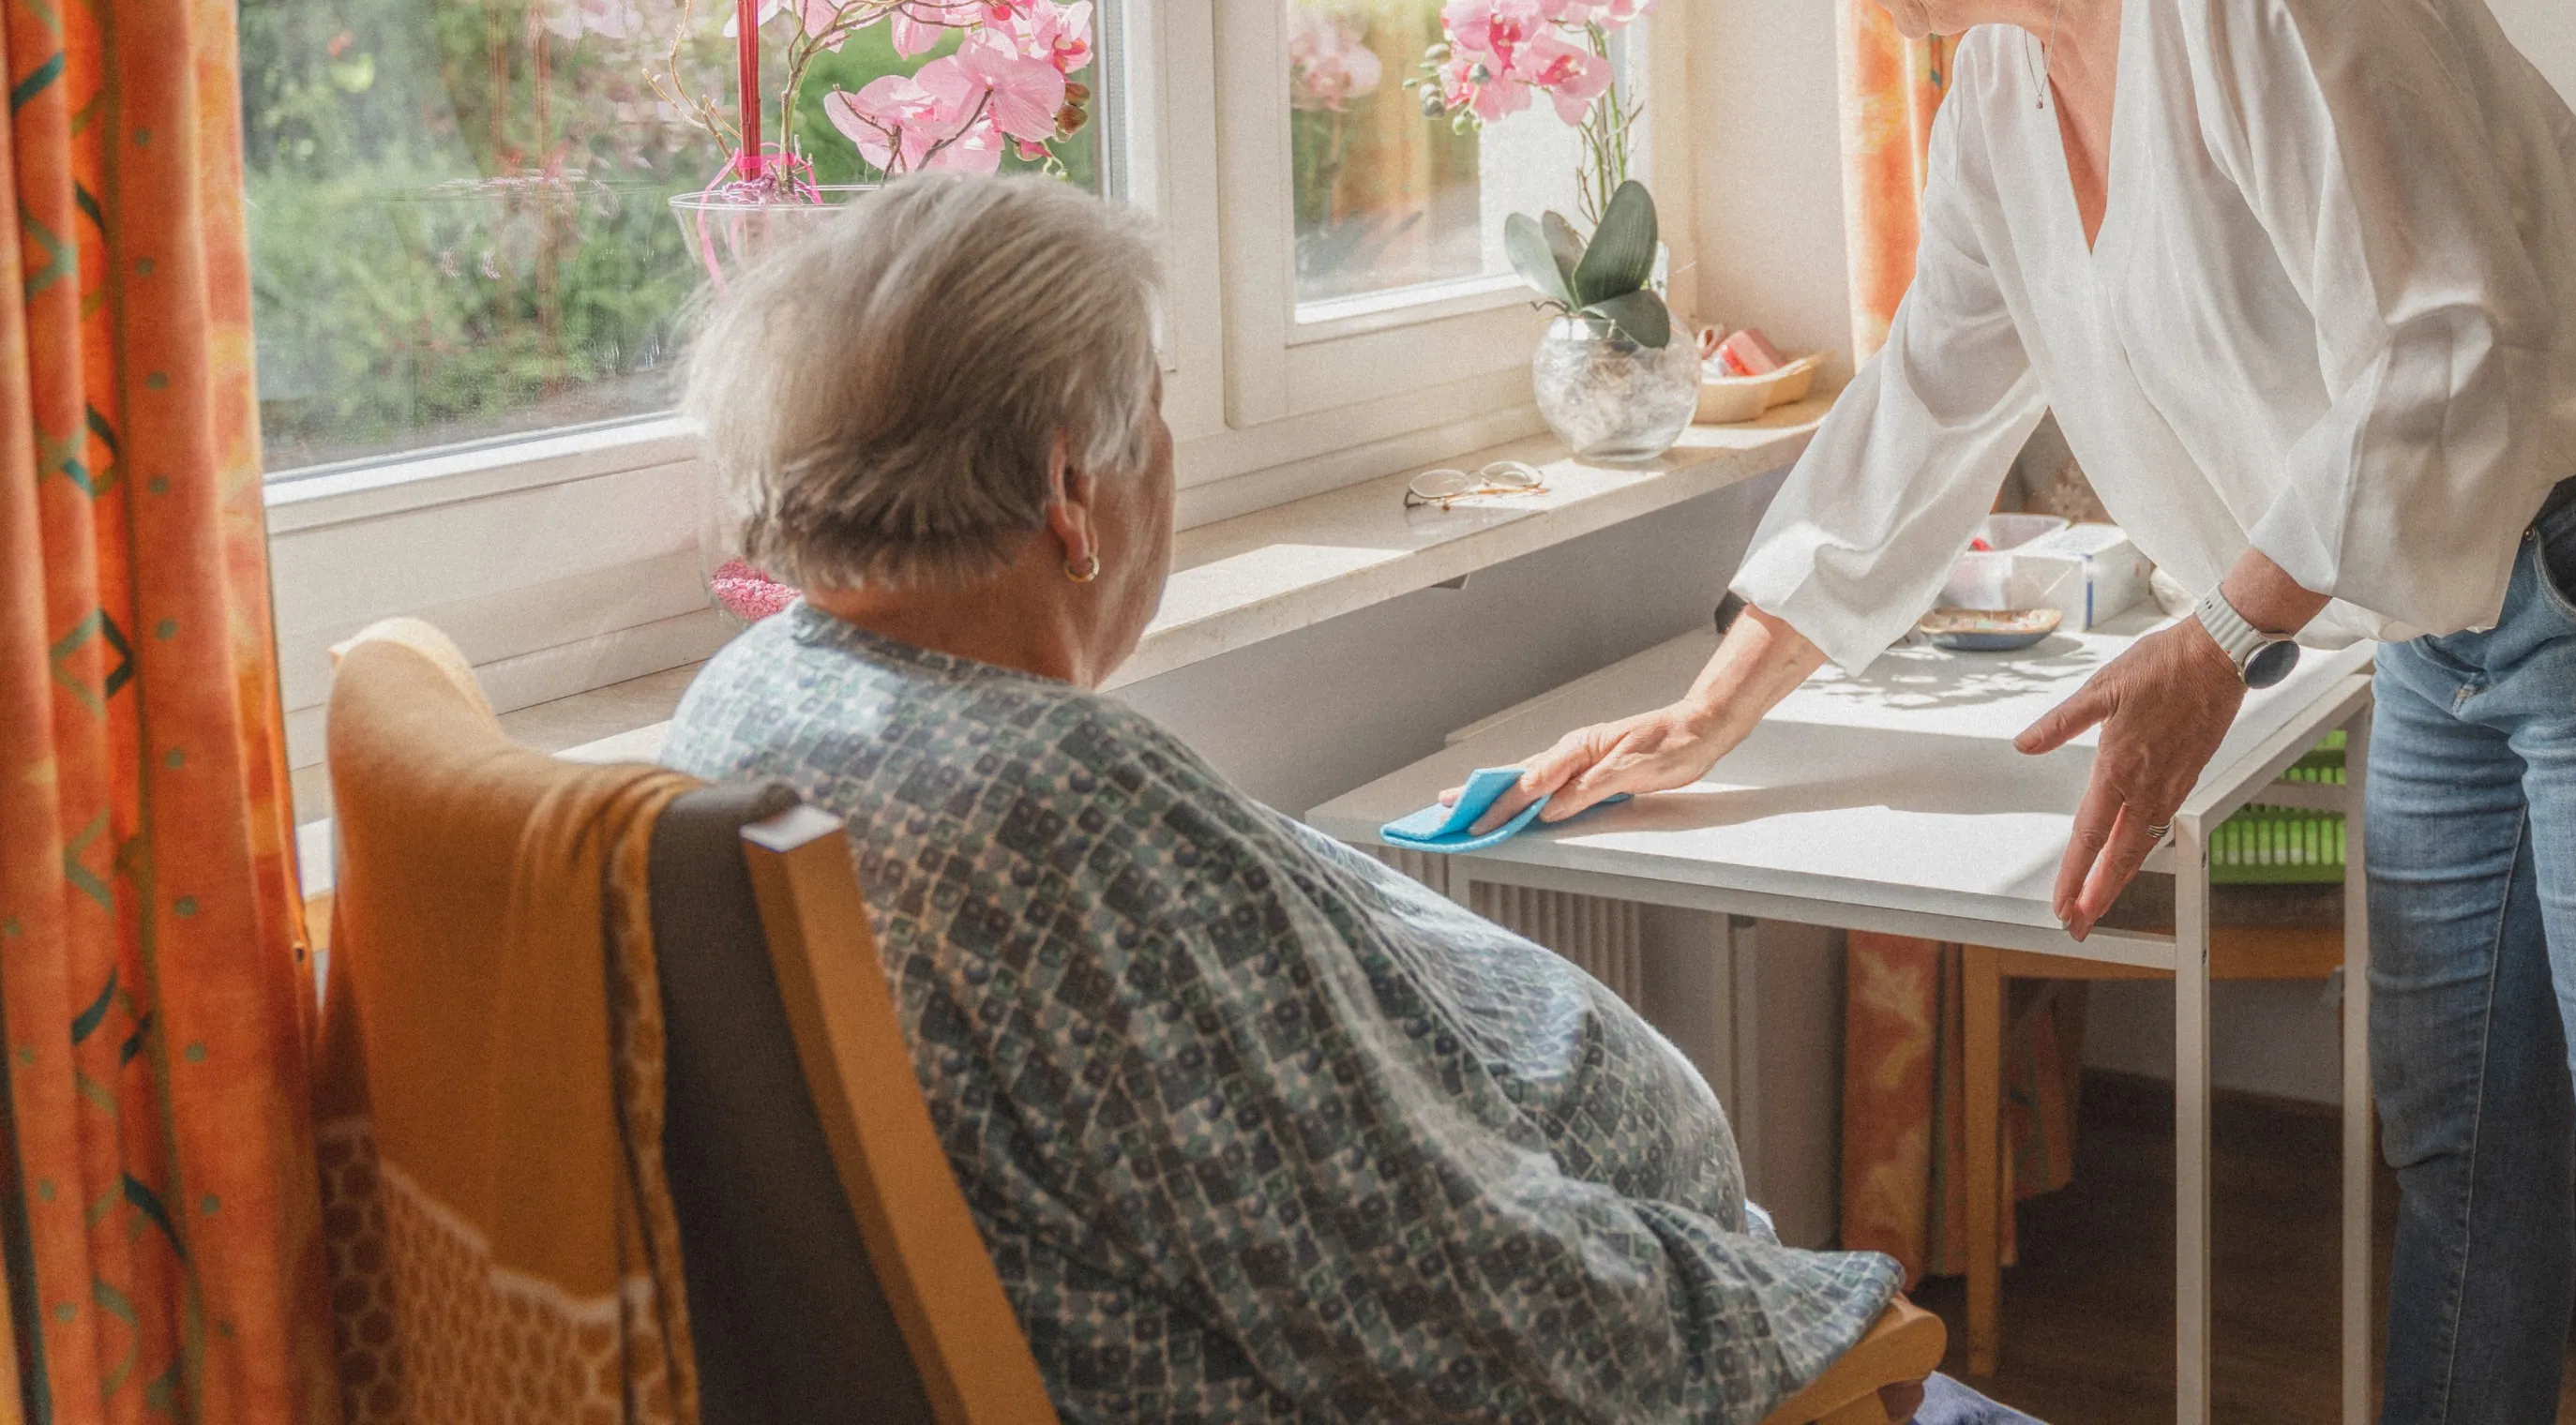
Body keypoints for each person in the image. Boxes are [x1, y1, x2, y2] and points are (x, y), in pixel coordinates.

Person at [1506, 0, 2576, 1425]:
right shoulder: (1998, 93)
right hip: (2448, 610)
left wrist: (2224, 637)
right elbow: (1926, 405)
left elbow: (2452, 343)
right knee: (2460, 1146)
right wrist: (1713, 710)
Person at [663, 172, 1944, 1423]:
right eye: (1154, 413)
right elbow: (1468, 1312)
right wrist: (1812, 1319)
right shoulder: (1058, 808)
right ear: (1069, 493)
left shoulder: (756, 697)